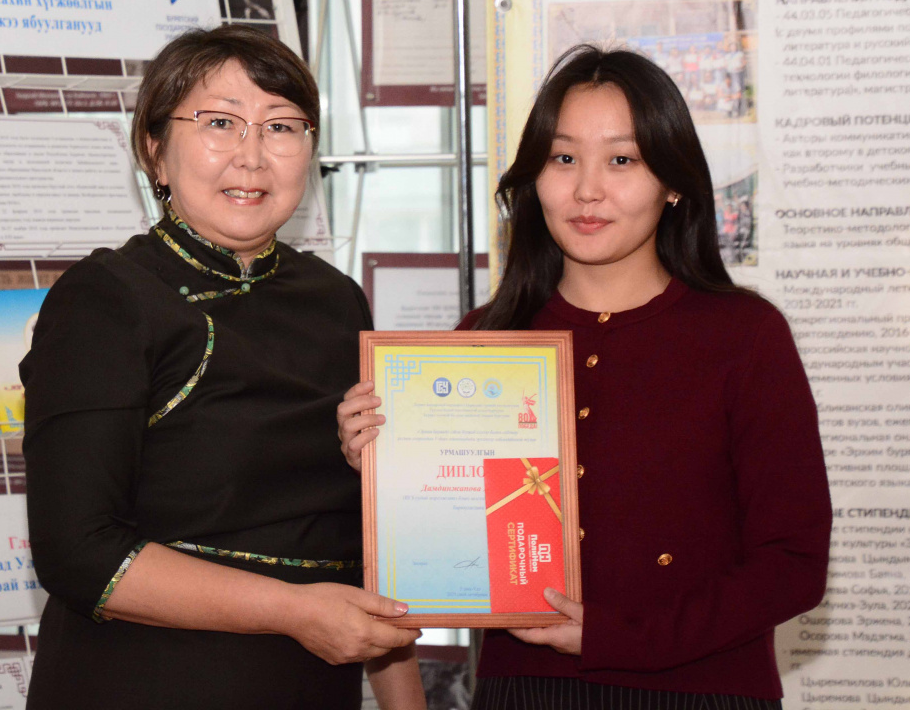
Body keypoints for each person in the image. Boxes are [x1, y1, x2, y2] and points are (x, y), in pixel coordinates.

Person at [339, 46, 831, 708]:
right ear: (533, 179)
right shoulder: (484, 341)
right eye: (563, 158)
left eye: (621, 160)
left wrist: (617, 636)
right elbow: (446, 543)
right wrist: (384, 467)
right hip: (522, 689)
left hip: (701, 690)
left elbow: (792, 565)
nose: (587, 190)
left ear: (673, 181)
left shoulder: (743, 337)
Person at [21, 25, 424, 709]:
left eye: (281, 127)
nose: (252, 156)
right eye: (219, 123)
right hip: (146, 685)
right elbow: (78, 552)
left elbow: (370, 549)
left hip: (310, 687)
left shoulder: (336, 299)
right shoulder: (106, 299)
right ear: (155, 151)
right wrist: (295, 611)